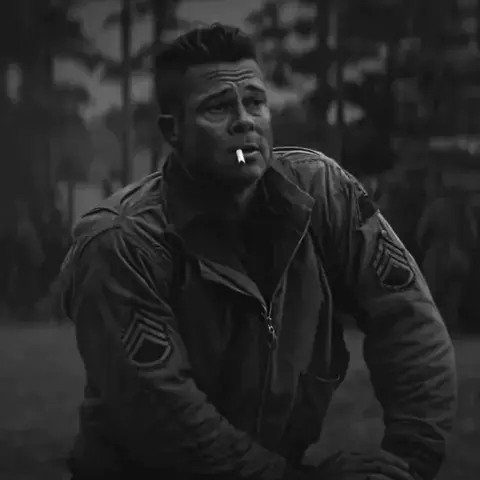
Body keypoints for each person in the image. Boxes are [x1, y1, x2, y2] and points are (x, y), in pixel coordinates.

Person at [59, 24, 456, 480]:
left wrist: (410, 463)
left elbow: (408, 319)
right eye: (218, 107)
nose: (244, 121)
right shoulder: (121, 242)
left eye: (255, 102)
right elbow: (166, 420)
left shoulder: (323, 194)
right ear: (173, 130)